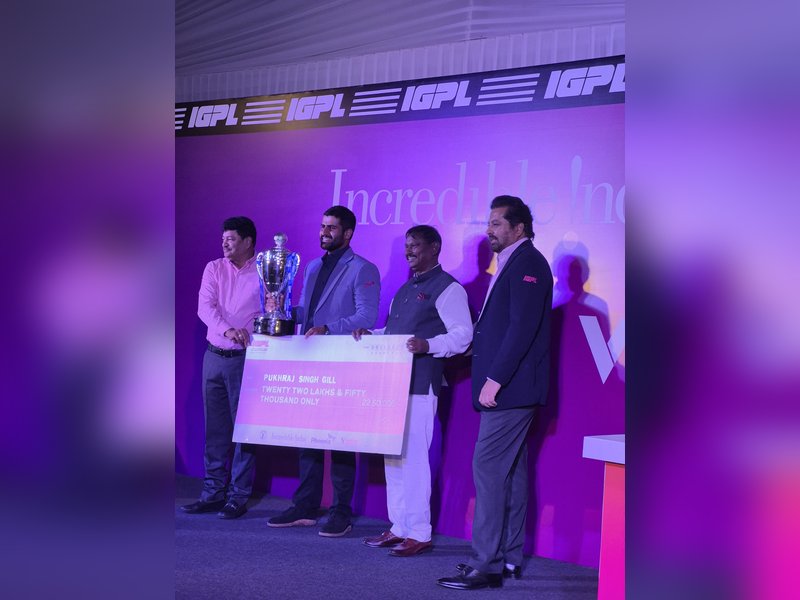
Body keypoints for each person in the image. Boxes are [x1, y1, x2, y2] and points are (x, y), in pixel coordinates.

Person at [437, 196, 553, 590]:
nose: (489, 230)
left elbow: (522, 329)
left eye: (497, 223)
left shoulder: (529, 264)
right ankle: (509, 559)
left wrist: (495, 379)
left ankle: (485, 564)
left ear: (519, 228)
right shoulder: (513, 262)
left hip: (511, 388)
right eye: (489, 223)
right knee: (511, 473)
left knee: (487, 470)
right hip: (513, 387)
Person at [356, 225, 472, 557]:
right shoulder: (405, 288)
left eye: (415, 245)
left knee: (415, 461)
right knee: (393, 458)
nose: (409, 251)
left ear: (434, 248)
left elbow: (463, 335)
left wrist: (428, 345)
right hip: (392, 385)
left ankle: (419, 532)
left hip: (421, 385)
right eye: (406, 245)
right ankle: (399, 527)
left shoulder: (448, 288)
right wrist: (373, 335)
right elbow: (397, 334)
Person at [267, 205, 380, 537]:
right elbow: (307, 311)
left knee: (340, 440)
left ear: (348, 233)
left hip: (342, 363)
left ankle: (341, 511)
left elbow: (366, 316)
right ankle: (305, 505)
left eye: (331, 228)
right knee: (308, 438)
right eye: (322, 226)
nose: (324, 232)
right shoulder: (313, 266)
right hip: (310, 360)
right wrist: (282, 311)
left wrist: (328, 329)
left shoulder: (363, 268)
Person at [181, 216, 261, 520]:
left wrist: (248, 330)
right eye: (223, 238)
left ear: (248, 241)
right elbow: (205, 307)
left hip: (245, 360)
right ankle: (212, 493)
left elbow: (272, 311)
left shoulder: (263, 271)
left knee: (244, 430)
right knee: (215, 431)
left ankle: (238, 496)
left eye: (231, 239)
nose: (224, 243)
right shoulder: (214, 268)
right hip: (213, 357)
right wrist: (228, 330)